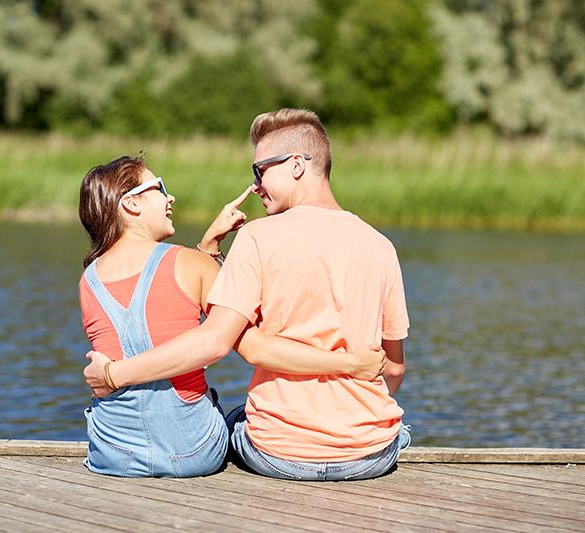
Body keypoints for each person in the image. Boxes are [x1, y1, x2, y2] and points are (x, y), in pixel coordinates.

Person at [85, 108, 411, 481]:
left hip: (281, 453)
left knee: (234, 418)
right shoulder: (381, 246)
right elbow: (394, 368)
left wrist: (113, 374)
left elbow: (235, 342)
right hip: (370, 455)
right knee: (394, 429)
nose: (256, 186)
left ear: (296, 165)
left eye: (260, 171)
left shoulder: (257, 237)